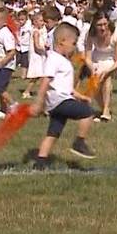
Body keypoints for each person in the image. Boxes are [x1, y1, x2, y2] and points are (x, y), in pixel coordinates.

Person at [29, 22, 97, 170]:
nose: (74, 47)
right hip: (59, 101)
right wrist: (39, 101)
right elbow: (46, 80)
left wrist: (81, 97)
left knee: (53, 133)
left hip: (59, 102)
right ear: (62, 42)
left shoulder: (62, 61)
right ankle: (79, 142)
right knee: (88, 113)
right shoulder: (53, 58)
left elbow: (67, 88)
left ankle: (40, 162)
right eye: (73, 43)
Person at [84, 10, 117, 121]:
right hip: (97, 59)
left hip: (113, 61)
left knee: (106, 77)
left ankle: (106, 110)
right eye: (99, 25)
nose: (102, 28)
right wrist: (92, 69)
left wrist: (107, 71)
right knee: (94, 81)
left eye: (105, 24)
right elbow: (87, 57)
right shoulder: (90, 34)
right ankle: (103, 109)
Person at [0, 8, 17, 119]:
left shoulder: (6, 34)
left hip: (6, 66)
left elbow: (12, 51)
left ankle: (14, 105)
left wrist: (3, 61)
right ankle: (3, 110)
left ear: (4, 21)